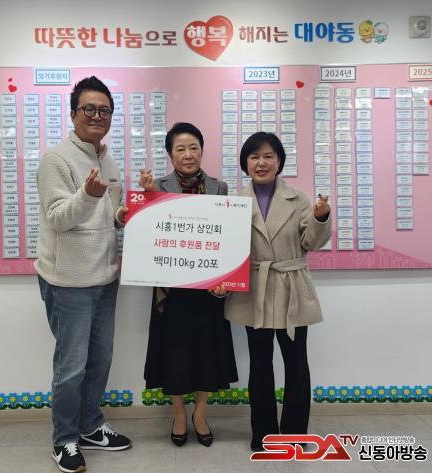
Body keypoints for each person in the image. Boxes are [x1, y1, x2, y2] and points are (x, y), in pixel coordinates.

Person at [36, 76, 131, 473]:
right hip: (68, 282)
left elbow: (108, 217)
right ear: (73, 113)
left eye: (104, 110)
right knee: (71, 366)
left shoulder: (108, 159)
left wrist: (122, 216)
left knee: (100, 360)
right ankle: (64, 439)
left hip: (105, 277)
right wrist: (88, 196)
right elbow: (58, 218)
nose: (96, 116)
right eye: (89, 109)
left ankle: (90, 426)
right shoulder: (56, 160)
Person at [223, 132, 331, 451]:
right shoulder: (234, 203)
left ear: (279, 161)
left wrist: (320, 217)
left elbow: (311, 242)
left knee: (296, 364)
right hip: (253, 291)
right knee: (260, 365)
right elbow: (228, 249)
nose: (262, 162)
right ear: (245, 163)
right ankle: (264, 434)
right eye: (254, 156)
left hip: (291, 287)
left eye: (268, 156)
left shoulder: (299, 199)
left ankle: (295, 434)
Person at [139, 122, 238, 447]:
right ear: (171, 154)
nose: (188, 154)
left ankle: (200, 413)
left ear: (202, 151)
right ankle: (180, 414)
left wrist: (225, 280)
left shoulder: (219, 188)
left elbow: (227, 239)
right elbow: (146, 235)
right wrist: (147, 198)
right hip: (172, 292)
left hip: (209, 288)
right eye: (180, 149)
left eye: (193, 147)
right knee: (176, 354)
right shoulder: (158, 186)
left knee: (208, 353)